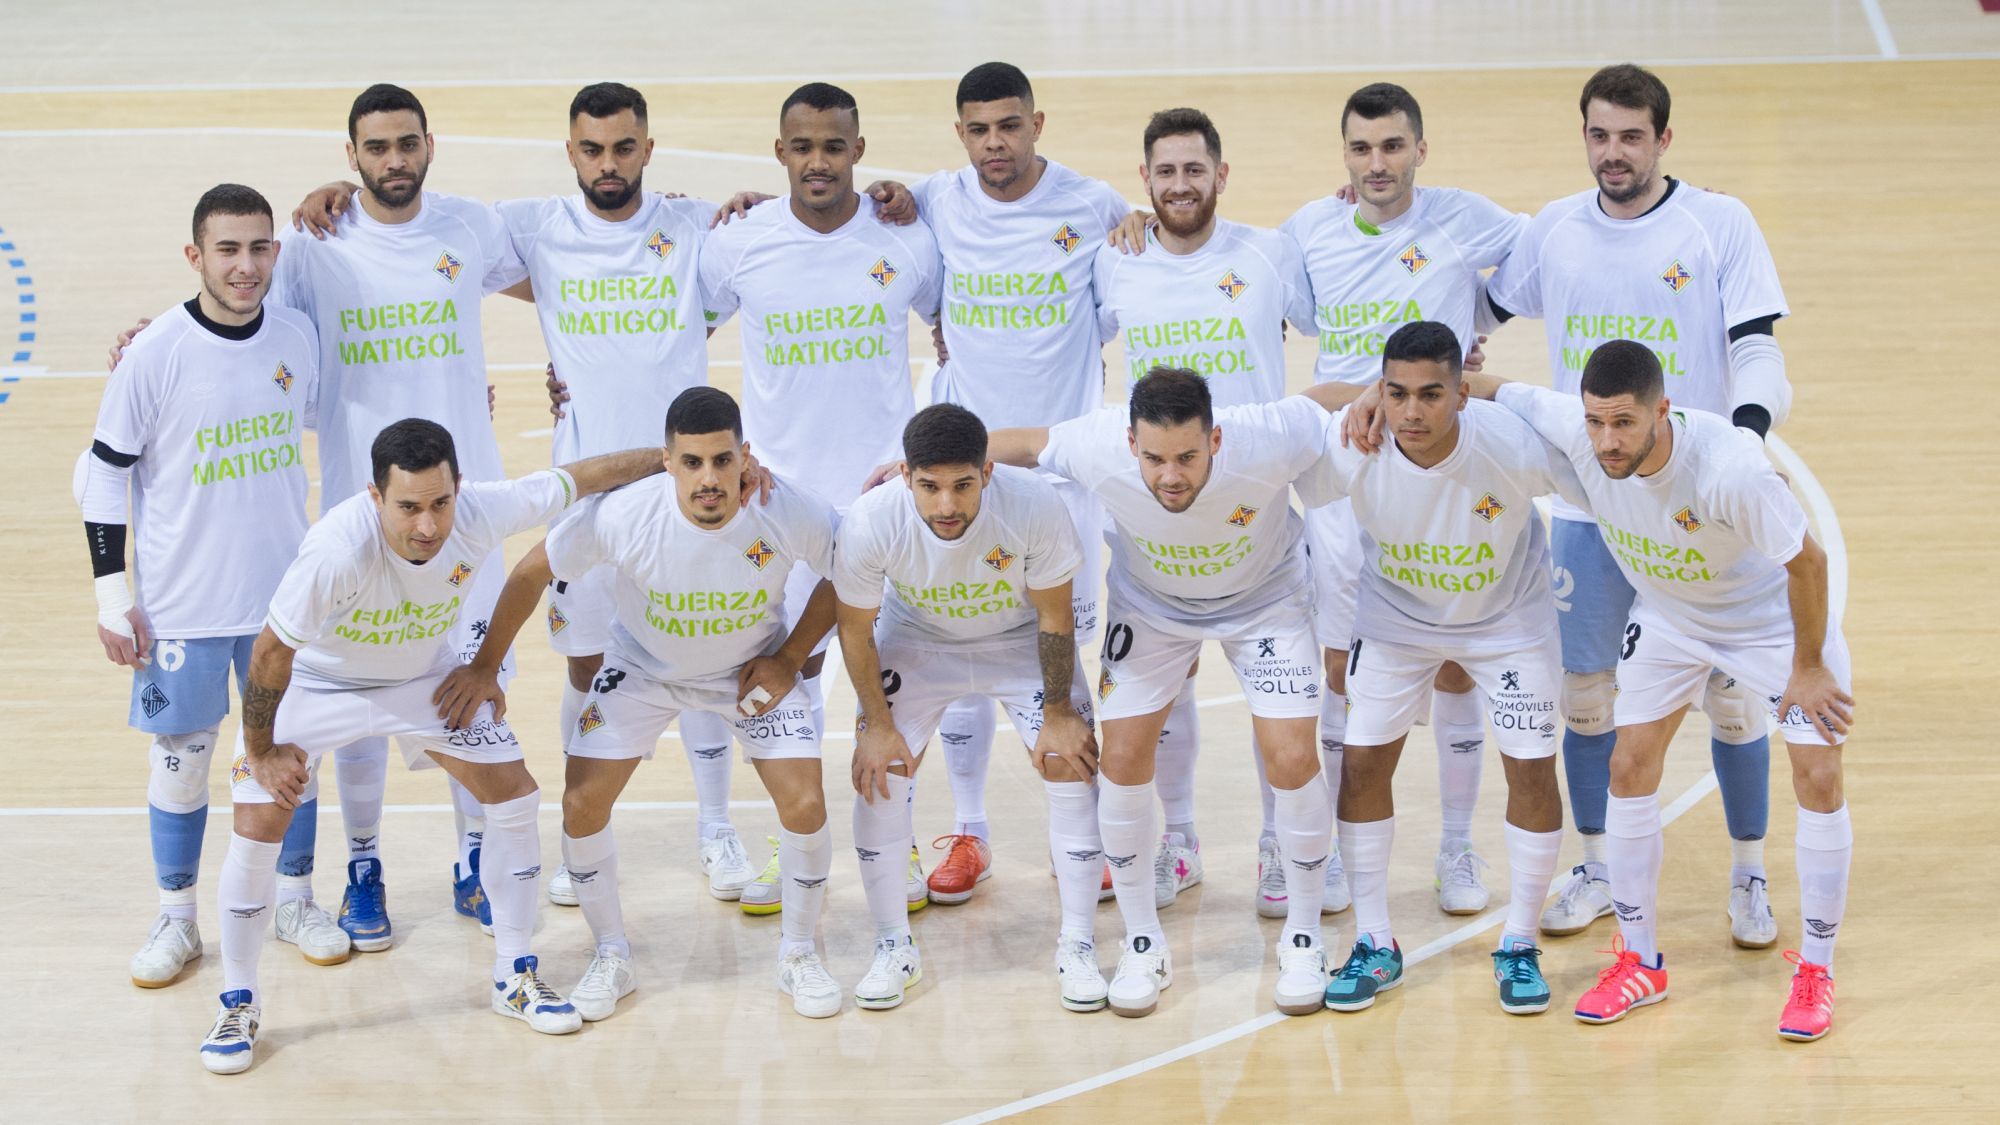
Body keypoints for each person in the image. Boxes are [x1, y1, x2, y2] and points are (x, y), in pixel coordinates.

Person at [1350, 340, 1850, 1040]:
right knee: (1628, 765)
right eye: (1594, 422)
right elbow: (1486, 385)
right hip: (1673, 618)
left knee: (1818, 773)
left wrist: (1809, 667)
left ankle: (1817, 971)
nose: (1607, 441)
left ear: (1662, 411)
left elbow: (1809, 561)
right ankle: (1641, 961)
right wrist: (1377, 395)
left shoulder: (1730, 470)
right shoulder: (1579, 435)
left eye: (1623, 422)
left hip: (1769, 625)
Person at [199, 420, 665, 1073]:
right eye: (409, 507)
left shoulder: (479, 512)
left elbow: (582, 478)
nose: (427, 525)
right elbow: (272, 653)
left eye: (440, 503)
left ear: (458, 489)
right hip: (322, 683)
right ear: (375, 496)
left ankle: (514, 972)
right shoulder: (338, 549)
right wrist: (263, 748)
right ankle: (238, 1001)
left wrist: (673, 460)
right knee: (258, 818)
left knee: (515, 794)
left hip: (424, 678)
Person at [1484, 64, 1794, 944]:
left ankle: (1749, 872)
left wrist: (1745, 433)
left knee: (1733, 702)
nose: (1612, 152)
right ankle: (1593, 861)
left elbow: (1759, 348)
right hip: (1591, 507)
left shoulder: (1718, 224)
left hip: (1701, 508)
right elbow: (1477, 307)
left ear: (1664, 138)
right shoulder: (1555, 230)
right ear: (1583, 136)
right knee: (1587, 698)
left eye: (1630, 135)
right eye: (1598, 135)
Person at [441, 387, 846, 1021]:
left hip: (748, 672)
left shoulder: (784, 507)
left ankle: (799, 953)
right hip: (640, 670)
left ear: (745, 457)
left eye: (721, 460)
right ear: (667, 461)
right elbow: (528, 571)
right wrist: (486, 666)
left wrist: (790, 658)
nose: (708, 479)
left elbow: (845, 571)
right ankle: (612, 953)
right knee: (581, 802)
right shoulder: (625, 515)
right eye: (691, 462)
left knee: (806, 802)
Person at [982, 367, 1366, 1017]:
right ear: (1131, 445)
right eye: (1155, 458)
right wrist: (910, 464)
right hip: (1153, 607)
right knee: (1125, 755)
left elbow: (1317, 401)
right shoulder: (1097, 443)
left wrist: (1378, 391)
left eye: (1188, 456)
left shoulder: (1266, 437)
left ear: (1215, 438)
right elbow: (1020, 442)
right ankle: (1142, 943)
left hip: (1266, 602)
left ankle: (1303, 936)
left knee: (1293, 756)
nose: (1171, 476)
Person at [1281, 82, 1529, 916]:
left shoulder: (1467, 218)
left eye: (1392, 147)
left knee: (1454, 652)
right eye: (1361, 149)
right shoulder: (1310, 231)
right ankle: (1336, 846)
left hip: (1446, 463)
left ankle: (1456, 845)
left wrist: (1472, 320)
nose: (1376, 164)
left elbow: (1549, 255)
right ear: (1344, 155)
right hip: (1352, 466)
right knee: (1337, 660)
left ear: (1421, 149)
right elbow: (1233, 273)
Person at [83, 184, 339, 986]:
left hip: (280, 604)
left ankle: (295, 900)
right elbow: (100, 479)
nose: (245, 265)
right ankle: (176, 918)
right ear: (195, 256)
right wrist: (109, 597)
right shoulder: (154, 352)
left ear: (276, 253)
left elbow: (334, 423)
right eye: (227, 249)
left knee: (289, 754)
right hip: (183, 608)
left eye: (260, 247)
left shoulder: (296, 335)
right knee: (184, 761)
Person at [697, 80, 942, 912]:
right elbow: (675, 332)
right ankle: (794, 841)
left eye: (833, 147)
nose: (817, 162)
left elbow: (958, 332)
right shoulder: (741, 242)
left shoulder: (906, 241)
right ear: (778, 154)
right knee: (784, 673)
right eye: (801, 147)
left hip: (884, 504)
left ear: (858, 151)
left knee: (892, 685)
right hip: (782, 506)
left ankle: (897, 847)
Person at [893, 62, 1132, 902]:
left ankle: (1096, 835)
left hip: (1059, 482)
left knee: (1064, 661)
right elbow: (863, 215)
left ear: (1037, 123)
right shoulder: (932, 200)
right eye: (979, 128)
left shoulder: (1096, 207)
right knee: (957, 654)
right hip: (961, 479)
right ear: (960, 134)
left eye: (1010, 125)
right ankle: (968, 831)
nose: (996, 142)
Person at [1299, 322, 1576, 1015]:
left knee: (1533, 768)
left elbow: (1604, 467)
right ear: (1379, 391)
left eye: (1430, 394)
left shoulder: (1510, 442)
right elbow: (1282, 435)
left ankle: (1518, 942)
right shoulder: (1354, 443)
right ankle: (1374, 942)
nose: (1412, 412)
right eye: (1396, 393)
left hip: (1507, 620)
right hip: (1395, 619)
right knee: (1362, 764)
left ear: (1462, 393)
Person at [1090, 106, 1323, 918]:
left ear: (1221, 175)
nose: (1180, 186)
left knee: (1275, 698)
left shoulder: (1269, 253)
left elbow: (1350, 325)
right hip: (1158, 510)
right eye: (1165, 172)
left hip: (1254, 518)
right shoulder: (1113, 262)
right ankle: (1178, 842)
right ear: (1145, 180)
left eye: (1195, 170)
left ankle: (1274, 847)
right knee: (1168, 684)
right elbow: (1069, 352)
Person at [837, 404, 1102, 1012]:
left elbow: (1056, 616)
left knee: (1070, 762)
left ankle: (1079, 945)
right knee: (882, 773)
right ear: (905, 476)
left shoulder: (1033, 505)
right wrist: (877, 726)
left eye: (962, 485)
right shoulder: (872, 520)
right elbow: (855, 630)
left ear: (988, 471)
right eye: (929, 487)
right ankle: (891, 946)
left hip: (1018, 641)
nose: (946, 506)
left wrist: (1059, 713)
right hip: (919, 641)